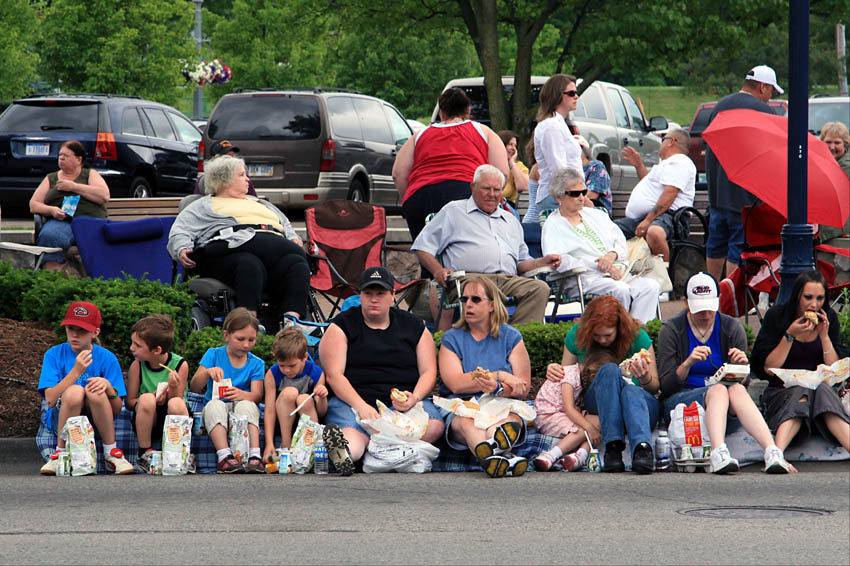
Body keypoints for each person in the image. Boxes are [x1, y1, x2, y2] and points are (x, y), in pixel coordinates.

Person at [658, 272, 795, 474]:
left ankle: (772, 451)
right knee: (719, 390)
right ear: (686, 303)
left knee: (736, 389)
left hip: (725, 407)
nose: (705, 315)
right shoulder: (672, 329)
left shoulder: (731, 327)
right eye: (699, 310)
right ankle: (718, 452)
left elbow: (744, 382)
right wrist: (688, 363)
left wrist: (739, 366)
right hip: (682, 405)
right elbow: (666, 386)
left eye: (710, 310)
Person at [318, 267, 446, 475]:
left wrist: (415, 397)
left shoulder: (414, 326)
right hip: (353, 401)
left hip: (403, 403)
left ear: (392, 295)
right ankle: (360, 452)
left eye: (381, 294)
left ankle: (378, 452)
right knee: (352, 443)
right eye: (368, 294)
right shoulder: (342, 326)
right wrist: (361, 405)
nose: (374, 300)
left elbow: (429, 371)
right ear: (360, 296)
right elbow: (334, 375)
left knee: (434, 427)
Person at [168, 154, 310, 330]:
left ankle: (291, 323)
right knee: (249, 263)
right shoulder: (202, 205)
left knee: (296, 263)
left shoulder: (262, 204)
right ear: (224, 180)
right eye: (242, 175)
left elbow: (286, 226)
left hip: (272, 250)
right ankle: (249, 324)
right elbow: (180, 231)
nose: (248, 180)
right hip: (228, 248)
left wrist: (293, 238)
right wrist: (182, 248)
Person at [412, 164, 560, 329]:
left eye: (497, 190)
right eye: (486, 189)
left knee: (539, 288)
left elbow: (521, 263)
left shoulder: (510, 220)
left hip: (507, 280)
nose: (492, 195)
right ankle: (486, 342)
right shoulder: (454, 211)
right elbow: (422, 247)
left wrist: (541, 262)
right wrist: (438, 270)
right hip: (469, 279)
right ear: (473, 187)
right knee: (482, 292)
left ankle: (518, 340)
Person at [544, 295, 660, 474]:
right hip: (601, 404)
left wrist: (644, 377)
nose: (602, 340)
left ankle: (642, 449)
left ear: (619, 329)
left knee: (631, 390)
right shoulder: (576, 335)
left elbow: (654, 388)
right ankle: (613, 447)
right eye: (596, 335)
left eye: (608, 335)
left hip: (638, 405)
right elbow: (567, 376)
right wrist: (554, 369)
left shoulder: (638, 337)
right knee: (609, 370)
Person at [438, 276, 533, 478]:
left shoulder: (511, 337)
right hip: (463, 406)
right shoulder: (451, 339)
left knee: (508, 420)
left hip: (502, 403)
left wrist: (496, 388)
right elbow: (455, 384)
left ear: (492, 305)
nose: (468, 305)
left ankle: (492, 458)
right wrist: (500, 375)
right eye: (464, 300)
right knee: (467, 422)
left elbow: (522, 387)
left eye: (476, 299)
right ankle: (503, 458)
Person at [541, 167, 661, 324]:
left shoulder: (596, 214)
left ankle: (637, 335)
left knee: (650, 287)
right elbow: (559, 261)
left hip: (619, 272)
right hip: (583, 278)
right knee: (620, 290)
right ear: (559, 197)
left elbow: (619, 240)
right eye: (575, 194)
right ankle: (617, 337)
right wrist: (600, 265)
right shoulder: (553, 224)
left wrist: (611, 256)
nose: (581, 198)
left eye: (583, 192)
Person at [751, 270, 850, 453]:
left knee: (823, 390)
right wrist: (789, 335)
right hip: (783, 392)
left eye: (820, 298)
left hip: (820, 395)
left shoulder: (828, 317)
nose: (814, 304)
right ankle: (776, 453)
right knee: (801, 392)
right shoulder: (777, 316)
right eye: (808, 297)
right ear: (797, 296)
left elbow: (834, 370)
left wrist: (824, 336)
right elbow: (768, 367)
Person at [393, 87, 508, 243]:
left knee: (428, 255)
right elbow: (502, 172)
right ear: (468, 110)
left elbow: (398, 174)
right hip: (464, 193)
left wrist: (410, 197)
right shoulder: (483, 131)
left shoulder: (419, 135)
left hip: (421, 197)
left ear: (441, 112)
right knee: (468, 252)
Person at [705, 65, 784, 281]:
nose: (769, 98)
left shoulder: (720, 106)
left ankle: (713, 292)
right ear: (762, 87)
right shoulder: (762, 110)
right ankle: (729, 296)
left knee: (716, 243)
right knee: (737, 247)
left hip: (717, 194)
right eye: (771, 92)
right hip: (743, 196)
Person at [38, 301, 133, 475]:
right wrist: (75, 372)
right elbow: (50, 400)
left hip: (99, 418)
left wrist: (109, 388)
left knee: (94, 390)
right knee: (75, 391)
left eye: (82, 330)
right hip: (61, 416)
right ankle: (61, 452)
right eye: (70, 328)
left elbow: (118, 409)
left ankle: (111, 452)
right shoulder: (54, 354)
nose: (74, 335)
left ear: (95, 332)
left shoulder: (107, 358)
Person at [190, 308, 265, 473]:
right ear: (227, 335)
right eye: (240, 339)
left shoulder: (256, 363)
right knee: (213, 406)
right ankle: (224, 456)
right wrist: (207, 372)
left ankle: (254, 455)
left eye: (251, 340)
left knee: (248, 406)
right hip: (218, 406)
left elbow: (257, 395)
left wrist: (242, 395)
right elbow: (194, 387)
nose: (246, 344)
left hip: (240, 406)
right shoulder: (214, 354)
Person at [614, 127, 696, 262]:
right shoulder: (667, 164)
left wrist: (647, 221)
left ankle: (664, 276)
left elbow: (671, 193)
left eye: (663, 139)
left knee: (654, 232)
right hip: (648, 218)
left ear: (671, 142)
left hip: (670, 217)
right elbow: (651, 188)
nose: (661, 143)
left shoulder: (680, 161)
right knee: (609, 230)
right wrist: (639, 165)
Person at [28, 140, 110, 272]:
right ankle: (53, 277)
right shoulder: (51, 178)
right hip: (62, 222)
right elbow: (34, 204)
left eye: (66, 155)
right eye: (60, 155)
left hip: (88, 221)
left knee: (101, 241)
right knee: (51, 235)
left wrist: (74, 187)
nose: (61, 158)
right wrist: (52, 210)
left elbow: (104, 196)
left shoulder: (89, 174)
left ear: (78, 159)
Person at [125, 314, 190, 473]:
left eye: (138, 345)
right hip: (147, 418)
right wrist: (151, 400)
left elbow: (177, 400)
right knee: (146, 398)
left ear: (157, 350)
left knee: (176, 403)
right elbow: (129, 402)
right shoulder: (137, 366)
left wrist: (172, 388)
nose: (131, 348)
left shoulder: (180, 365)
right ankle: (144, 452)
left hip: (172, 415)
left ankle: (178, 452)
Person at [532, 350, 611, 472]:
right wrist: (590, 428)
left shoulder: (581, 377)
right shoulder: (569, 375)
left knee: (598, 421)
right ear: (593, 377)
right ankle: (550, 456)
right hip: (549, 415)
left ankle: (579, 456)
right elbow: (569, 409)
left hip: (564, 413)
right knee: (585, 429)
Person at [262, 328, 328, 463]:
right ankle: (285, 445)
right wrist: (269, 443)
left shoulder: (316, 372)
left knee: (303, 397)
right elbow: (269, 410)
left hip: (308, 418)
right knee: (289, 393)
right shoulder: (273, 374)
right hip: (284, 418)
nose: (286, 370)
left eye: (292, 365)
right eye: (282, 365)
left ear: (304, 357)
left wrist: (322, 397)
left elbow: (321, 412)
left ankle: (310, 446)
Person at [534, 74, 583, 217]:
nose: (576, 97)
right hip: (558, 198)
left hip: (568, 196)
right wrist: (580, 197)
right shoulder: (551, 126)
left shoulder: (558, 123)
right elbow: (559, 170)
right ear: (556, 96)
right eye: (571, 93)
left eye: (576, 93)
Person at [818, 122, 850, 241]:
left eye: (837, 143)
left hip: (841, 224)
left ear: (845, 144)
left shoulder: (846, 167)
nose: (832, 147)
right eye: (828, 142)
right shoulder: (824, 161)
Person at [575, 135, 613, 215]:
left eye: (578, 147)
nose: (573, 150)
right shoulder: (570, 169)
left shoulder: (596, 166)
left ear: (585, 151)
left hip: (597, 210)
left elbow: (592, 195)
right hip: (577, 209)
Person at [498, 130, 529, 210]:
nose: (513, 149)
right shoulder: (491, 165)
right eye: (510, 144)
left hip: (507, 207)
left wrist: (512, 163)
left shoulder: (518, 166)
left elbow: (524, 187)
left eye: (515, 146)